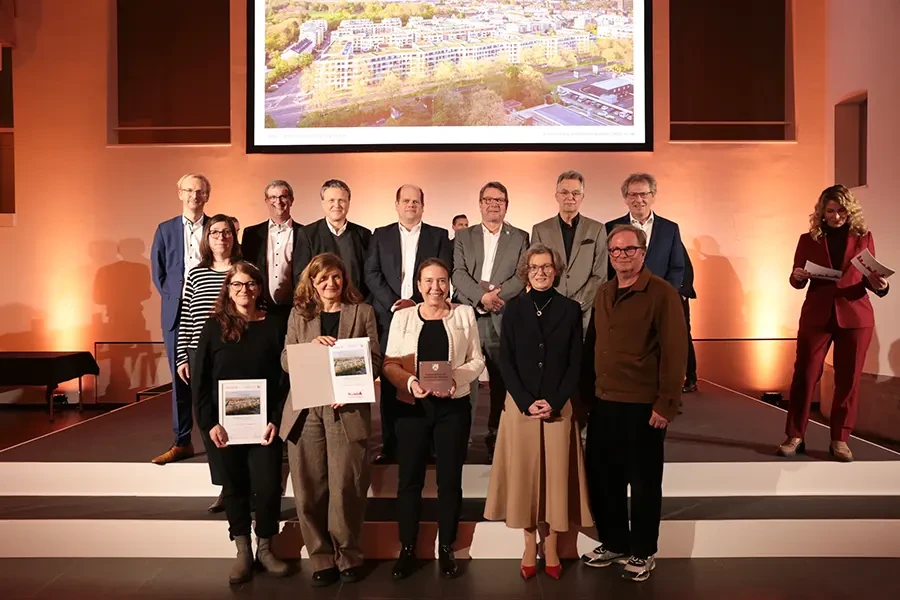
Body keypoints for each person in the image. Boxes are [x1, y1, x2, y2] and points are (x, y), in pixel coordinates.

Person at [581, 224, 687, 583]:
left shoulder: (662, 293)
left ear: (642, 252)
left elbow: (676, 352)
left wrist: (666, 404)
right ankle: (613, 541)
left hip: (643, 406)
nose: (621, 256)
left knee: (642, 484)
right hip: (604, 402)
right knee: (603, 479)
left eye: (628, 250)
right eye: (615, 251)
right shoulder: (603, 292)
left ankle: (642, 550)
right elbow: (592, 345)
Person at [483, 244, 592, 581]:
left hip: (558, 406)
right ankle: (530, 544)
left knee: (557, 476)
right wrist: (525, 399)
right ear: (525, 271)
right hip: (521, 407)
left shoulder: (571, 309)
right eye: (534, 267)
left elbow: (577, 362)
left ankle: (554, 544)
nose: (541, 272)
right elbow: (507, 361)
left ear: (555, 270)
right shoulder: (513, 309)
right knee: (526, 478)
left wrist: (555, 401)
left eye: (546, 267)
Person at [280, 253, 382, 587]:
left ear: (345, 279)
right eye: (322, 278)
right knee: (308, 487)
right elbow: (285, 360)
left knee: (345, 486)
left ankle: (349, 554)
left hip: (346, 409)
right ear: (312, 281)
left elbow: (376, 361)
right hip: (307, 408)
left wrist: (353, 385)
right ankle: (321, 556)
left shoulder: (362, 312)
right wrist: (310, 348)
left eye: (336, 277)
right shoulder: (299, 314)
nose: (330, 284)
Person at [382, 259, 485, 580]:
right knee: (409, 481)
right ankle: (408, 549)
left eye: (441, 281)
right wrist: (410, 382)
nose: (435, 288)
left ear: (449, 284)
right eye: (428, 281)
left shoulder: (464, 315)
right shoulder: (402, 318)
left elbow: (477, 359)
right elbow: (389, 363)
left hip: (452, 408)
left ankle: (446, 549)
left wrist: (455, 378)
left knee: (449, 481)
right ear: (418, 283)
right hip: (412, 408)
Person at [192, 261, 290, 584]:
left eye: (250, 284)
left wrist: (276, 419)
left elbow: (283, 380)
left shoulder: (275, 325)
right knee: (234, 486)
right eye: (237, 284)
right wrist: (209, 425)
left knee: (267, 486)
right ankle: (243, 551)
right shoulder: (213, 327)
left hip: (265, 428)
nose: (244, 290)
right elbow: (201, 383)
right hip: (224, 428)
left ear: (259, 288)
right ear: (228, 289)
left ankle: (265, 547)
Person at [777, 184, 889, 462]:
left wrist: (881, 285)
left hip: (855, 315)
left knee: (847, 381)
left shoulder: (864, 237)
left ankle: (840, 440)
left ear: (849, 211)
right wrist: (799, 276)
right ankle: (795, 435)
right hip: (817, 315)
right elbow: (795, 278)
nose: (836, 216)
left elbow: (869, 278)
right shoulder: (808, 239)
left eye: (841, 211)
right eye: (830, 211)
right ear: (822, 212)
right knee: (804, 376)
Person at [364, 184, 453, 464]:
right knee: (392, 380)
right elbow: (371, 272)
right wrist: (395, 302)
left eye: (416, 201)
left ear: (423, 206)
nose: (411, 205)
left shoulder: (438, 236)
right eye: (406, 201)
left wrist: (415, 302)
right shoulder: (381, 235)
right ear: (397, 204)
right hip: (389, 316)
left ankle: (428, 445)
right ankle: (390, 444)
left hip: (426, 314)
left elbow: (442, 275)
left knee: (425, 376)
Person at [452, 181, 529, 457]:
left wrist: (496, 296)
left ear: (506, 205)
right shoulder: (464, 236)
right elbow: (458, 273)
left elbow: (522, 275)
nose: (493, 204)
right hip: (468, 315)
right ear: (480, 203)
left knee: (501, 377)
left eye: (500, 200)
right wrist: (480, 297)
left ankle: (496, 430)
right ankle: (461, 432)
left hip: (501, 316)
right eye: (488, 199)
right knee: (464, 378)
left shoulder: (520, 237)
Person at [174, 214, 242, 512]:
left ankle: (239, 485)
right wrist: (181, 356)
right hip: (198, 355)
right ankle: (225, 486)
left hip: (233, 353)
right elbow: (186, 317)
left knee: (236, 419)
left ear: (233, 236)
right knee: (208, 420)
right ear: (207, 237)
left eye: (226, 232)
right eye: (215, 232)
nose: (221, 237)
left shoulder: (242, 271)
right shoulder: (197, 274)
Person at [150, 173, 211, 465]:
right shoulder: (164, 230)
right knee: (180, 380)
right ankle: (182, 441)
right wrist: (177, 298)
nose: (194, 196)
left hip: (211, 313)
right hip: (176, 313)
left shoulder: (217, 227)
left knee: (214, 377)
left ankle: (218, 439)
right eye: (188, 190)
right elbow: (159, 274)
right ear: (179, 193)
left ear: (206, 196)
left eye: (199, 192)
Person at [531, 170, 607, 333]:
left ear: (582, 197)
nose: (570, 197)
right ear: (556, 196)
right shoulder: (540, 230)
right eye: (564, 192)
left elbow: (600, 274)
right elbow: (537, 272)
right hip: (549, 309)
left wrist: (578, 303)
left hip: (584, 312)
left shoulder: (597, 229)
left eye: (575, 193)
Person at [239, 180, 311, 327]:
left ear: (291, 200)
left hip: (296, 308)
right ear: (266, 201)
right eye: (272, 197)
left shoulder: (306, 233)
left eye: (283, 196)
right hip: (259, 308)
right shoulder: (251, 234)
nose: (278, 201)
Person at [606, 173, 685, 290]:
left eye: (643, 194)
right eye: (632, 194)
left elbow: (677, 267)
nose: (638, 200)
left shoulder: (670, 229)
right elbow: (607, 268)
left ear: (653, 196)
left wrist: (668, 294)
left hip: (660, 296)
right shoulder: (611, 228)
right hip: (623, 296)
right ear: (625, 198)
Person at [304, 179, 373, 299]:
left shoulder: (364, 234)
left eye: (341, 200)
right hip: (319, 306)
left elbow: (370, 274)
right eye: (331, 200)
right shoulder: (307, 234)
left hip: (356, 304)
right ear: (323, 203)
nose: (337, 205)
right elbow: (301, 275)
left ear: (348, 203)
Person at [681, 245, 698, 393]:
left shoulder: (669, 236)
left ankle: (691, 378)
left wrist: (683, 294)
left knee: (683, 336)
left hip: (676, 295)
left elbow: (687, 268)